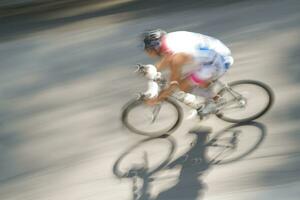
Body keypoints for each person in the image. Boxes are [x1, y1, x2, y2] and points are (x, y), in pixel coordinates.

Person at [142, 29, 234, 115]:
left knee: (183, 85)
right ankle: (210, 92)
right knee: (192, 77)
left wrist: (158, 99)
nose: (147, 52)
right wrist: (152, 69)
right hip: (216, 52)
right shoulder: (168, 40)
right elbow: (167, 58)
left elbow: (174, 85)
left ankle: (217, 100)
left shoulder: (177, 56)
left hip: (218, 62)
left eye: (148, 49)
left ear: (156, 47)